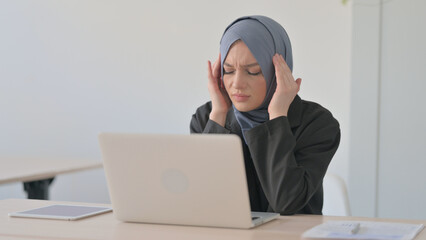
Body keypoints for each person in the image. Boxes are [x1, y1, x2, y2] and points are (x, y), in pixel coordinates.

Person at [190, 15, 340, 215]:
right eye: (228, 70)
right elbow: (200, 201)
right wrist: (218, 117)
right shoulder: (207, 118)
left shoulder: (317, 123)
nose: (237, 83)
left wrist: (277, 116)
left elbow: (286, 203)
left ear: (278, 73)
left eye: (253, 71)